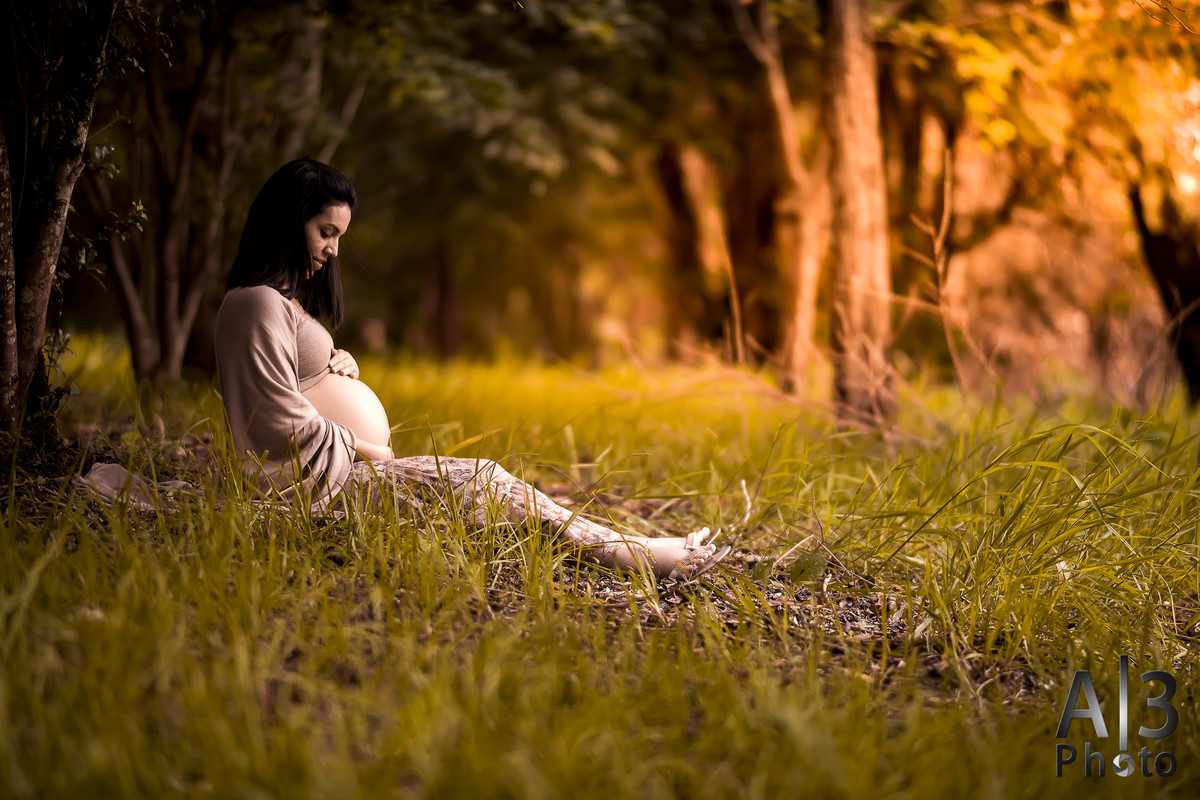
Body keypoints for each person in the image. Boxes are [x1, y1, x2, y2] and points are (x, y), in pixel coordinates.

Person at [214, 158, 730, 581]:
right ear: (288, 221)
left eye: (340, 235)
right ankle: (627, 554)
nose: (332, 249)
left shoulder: (278, 303)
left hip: (344, 472)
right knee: (479, 479)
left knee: (485, 483)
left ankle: (627, 546)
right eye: (325, 231)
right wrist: (367, 446)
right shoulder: (255, 303)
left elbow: (293, 382)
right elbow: (271, 421)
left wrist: (334, 365)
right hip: (316, 486)